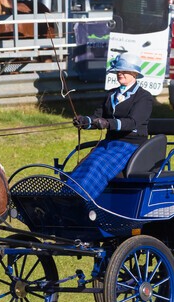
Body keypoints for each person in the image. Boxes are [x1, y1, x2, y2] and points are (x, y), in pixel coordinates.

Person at [65, 53, 153, 200]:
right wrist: (84, 121)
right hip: (110, 144)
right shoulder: (110, 95)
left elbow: (132, 122)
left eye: (124, 71)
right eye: (118, 70)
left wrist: (108, 123)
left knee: (98, 165)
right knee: (87, 163)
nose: (120, 73)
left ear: (135, 74)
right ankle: (66, 195)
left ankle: (80, 199)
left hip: (131, 145)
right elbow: (97, 116)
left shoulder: (144, 97)